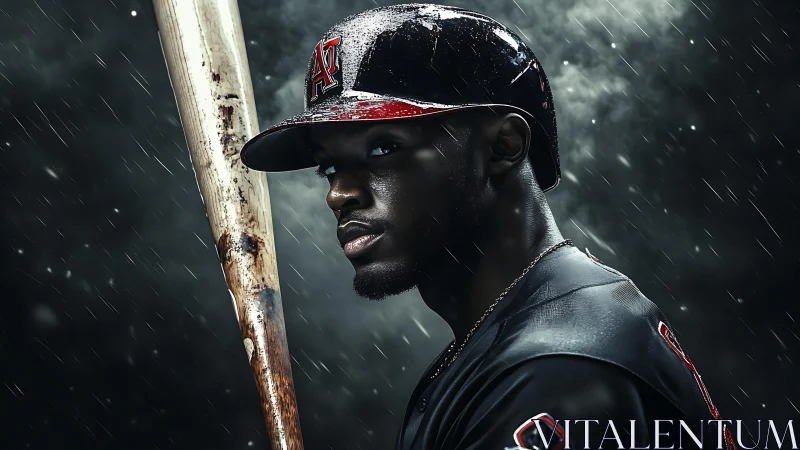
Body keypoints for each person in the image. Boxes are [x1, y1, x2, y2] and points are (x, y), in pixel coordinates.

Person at [240, 4, 736, 449]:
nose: (339, 193)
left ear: (502, 147)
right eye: (330, 167)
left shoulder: (553, 372)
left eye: (382, 148)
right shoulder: (526, 330)